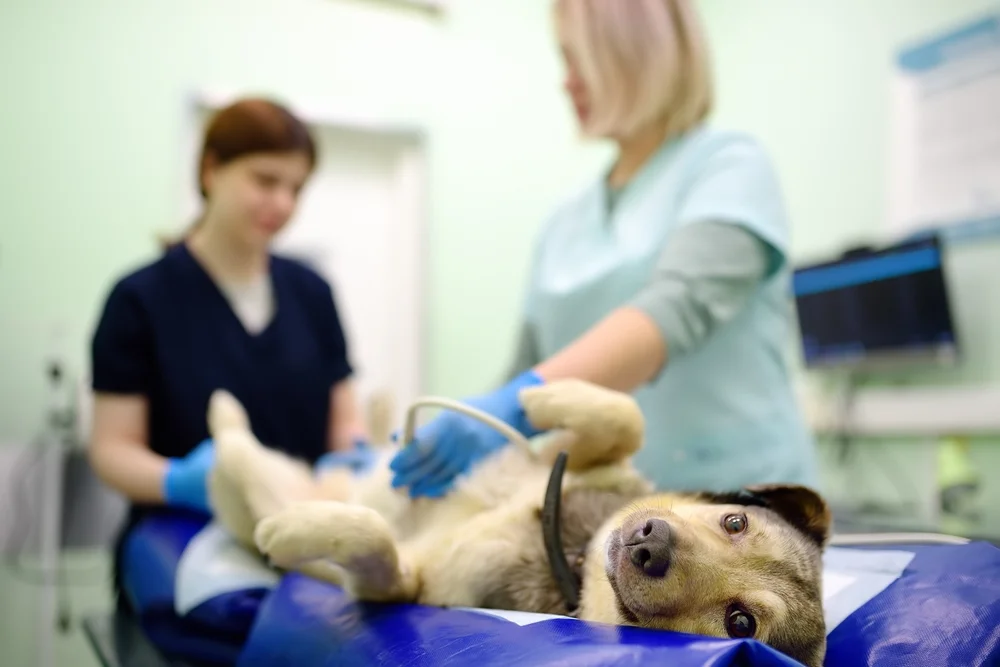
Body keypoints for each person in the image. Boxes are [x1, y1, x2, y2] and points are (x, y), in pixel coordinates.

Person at [390, 0, 819, 498]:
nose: (566, 82)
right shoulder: (564, 222)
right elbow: (528, 369)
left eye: (579, 60)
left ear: (638, 54)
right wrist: (445, 432)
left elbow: (674, 309)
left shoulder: (729, 166)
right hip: (615, 515)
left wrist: (514, 408)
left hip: (744, 505)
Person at [88, 98, 375, 607]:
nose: (283, 203)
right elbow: (111, 448)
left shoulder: (312, 293)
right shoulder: (140, 299)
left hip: (295, 534)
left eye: (296, 188)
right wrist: (178, 482)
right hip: (184, 539)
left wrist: (354, 458)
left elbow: (343, 420)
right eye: (266, 181)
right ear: (211, 169)